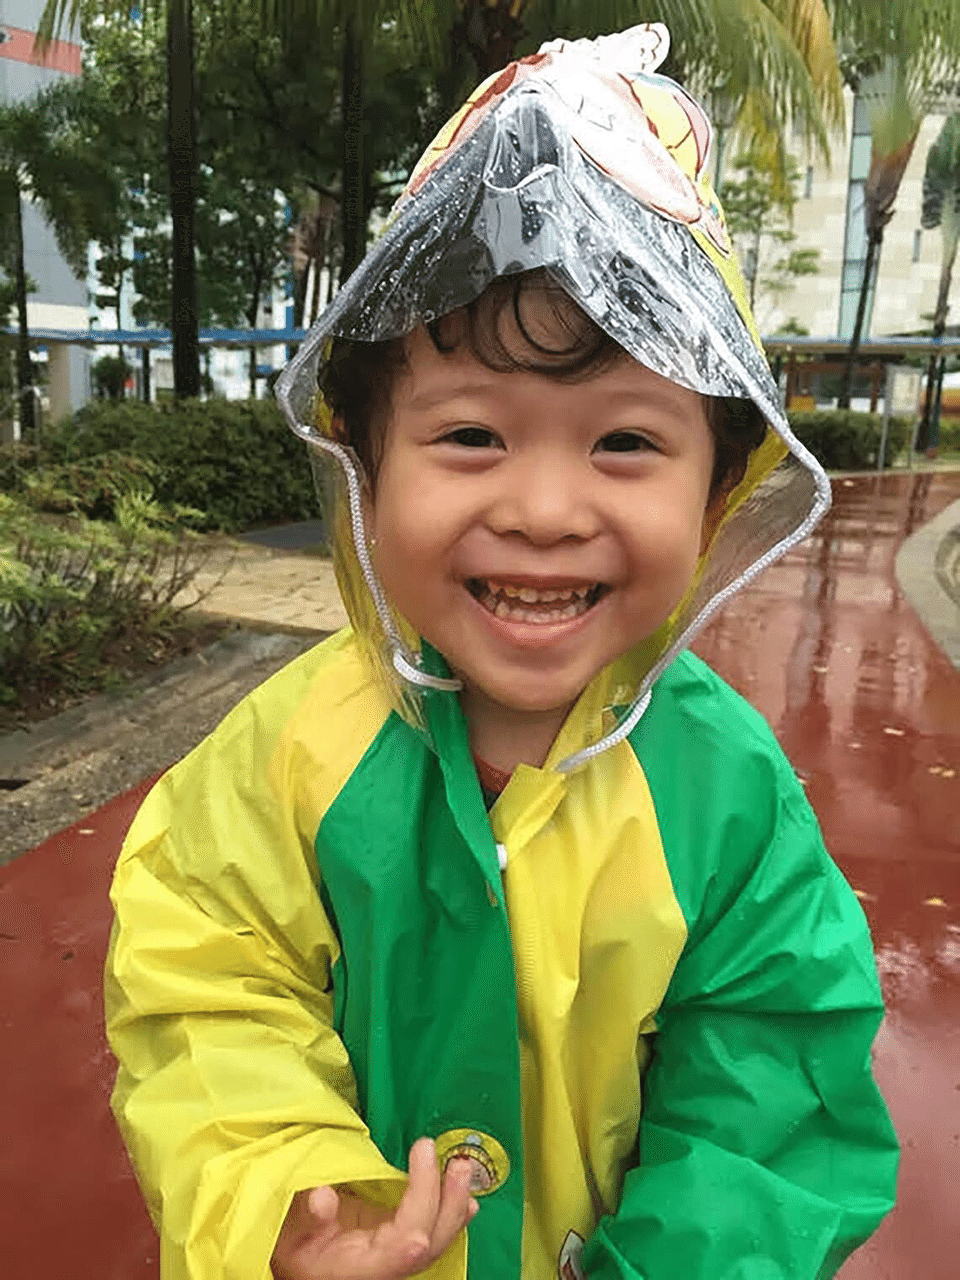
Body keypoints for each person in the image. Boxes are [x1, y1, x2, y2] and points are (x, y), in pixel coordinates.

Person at [105, 23, 898, 1280]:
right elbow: (203, 986)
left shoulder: (730, 799)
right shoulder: (291, 752)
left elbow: (773, 1084)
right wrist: (287, 1195)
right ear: (363, 463)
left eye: (625, 442)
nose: (541, 508)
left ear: (717, 490)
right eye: (471, 434)